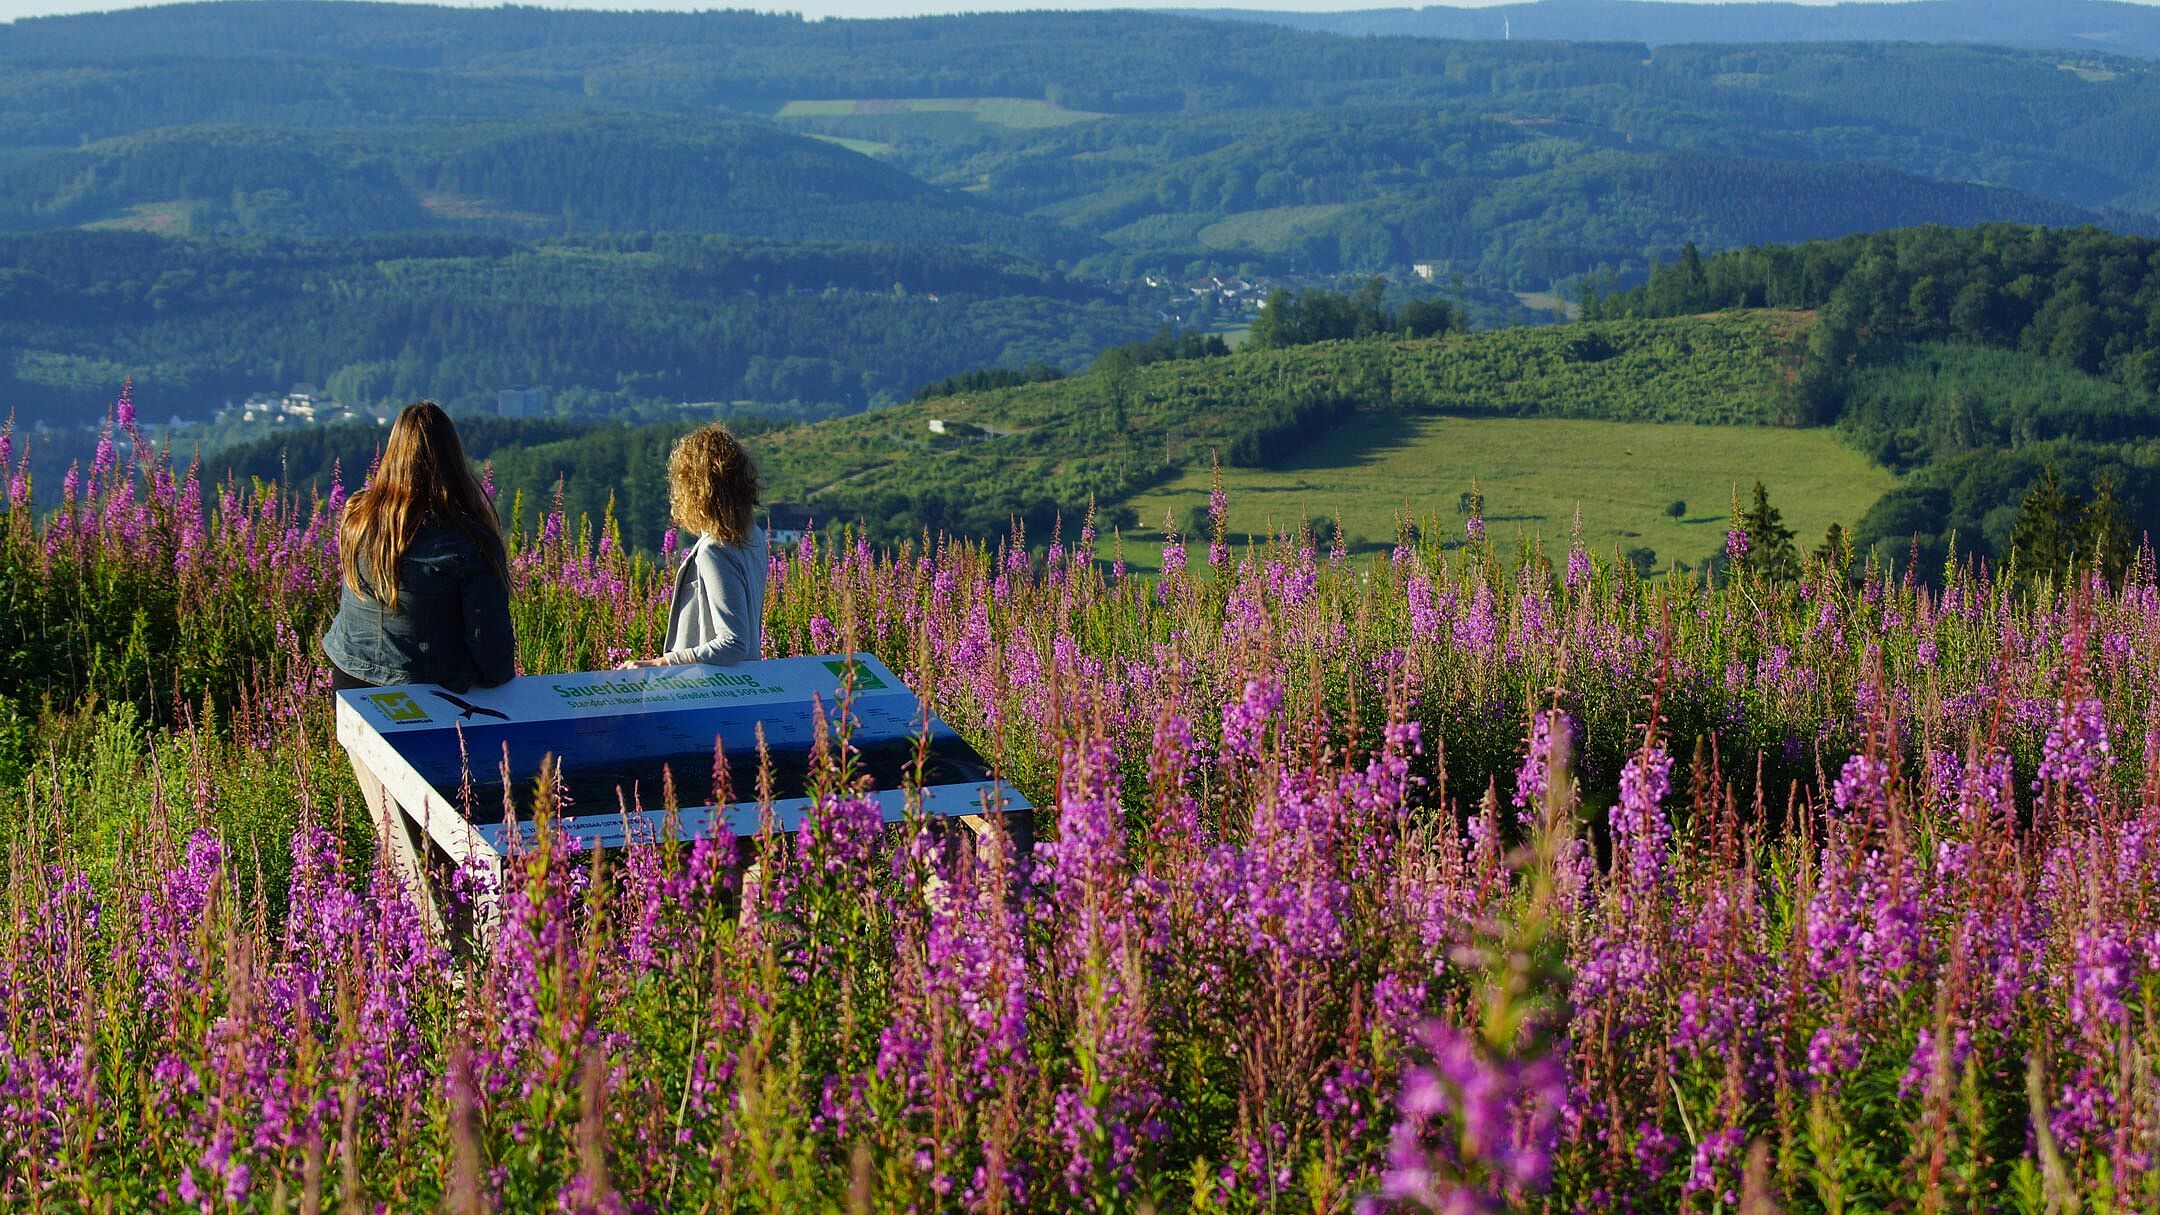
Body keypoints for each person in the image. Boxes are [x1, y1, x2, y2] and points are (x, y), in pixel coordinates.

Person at [321, 401, 515, 928]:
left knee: (396, 828)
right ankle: (449, 937)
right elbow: (495, 661)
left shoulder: (358, 517)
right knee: (438, 839)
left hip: (350, 689)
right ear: (452, 458)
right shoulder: (467, 542)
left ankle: (393, 929)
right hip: (424, 702)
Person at [621, 423, 766, 669]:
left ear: (696, 489)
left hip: (709, 685)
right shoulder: (754, 537)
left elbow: (733, 643)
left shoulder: (714, 550)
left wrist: (662, 662)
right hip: (746, 680)